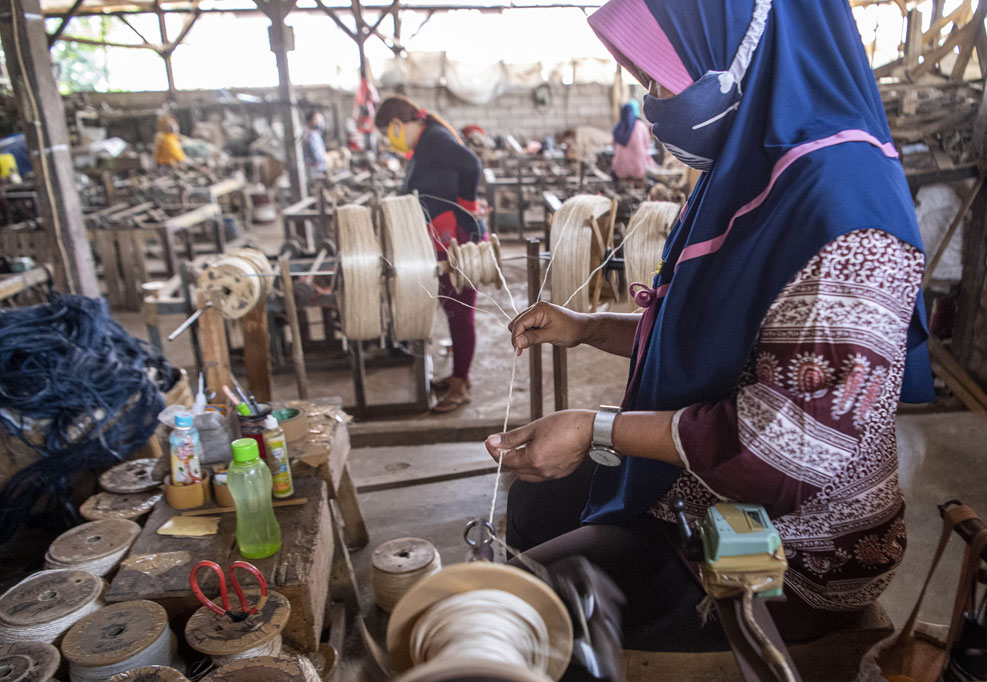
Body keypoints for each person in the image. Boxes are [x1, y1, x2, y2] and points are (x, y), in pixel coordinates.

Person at [484, 0, 934, 660]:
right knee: (531, 506)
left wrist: (594, 427)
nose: (655, 101)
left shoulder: (845, 210)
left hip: (795, 545)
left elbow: (786, 454)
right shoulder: (760, 170)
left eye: (664, 78)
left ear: (740, 51)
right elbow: (714, 333)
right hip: (711, 486)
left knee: (531, 609)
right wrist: (586, 327)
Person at [374, 95, 484, 413]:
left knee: (460, 313)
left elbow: (471, 165)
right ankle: (458, 376)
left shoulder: (434, 139)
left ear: (397, 124)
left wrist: (469, 208)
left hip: (457, 237)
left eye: (387, 133)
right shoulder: (424, 143)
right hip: (441, 235)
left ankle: (461, 385)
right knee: (452, 309)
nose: (387, 140)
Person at [610, 99, 653, 183]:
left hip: (620, 170)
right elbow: (647, 145)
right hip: (638, 169)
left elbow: (613, 146)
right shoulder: (641, 126)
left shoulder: (618, 128)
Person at [302, 111, 328, 178]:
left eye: (321, 120)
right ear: (309, 122)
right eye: (317, 120)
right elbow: (318, 157)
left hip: (315, 169)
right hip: (314, 171)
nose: (320, 122)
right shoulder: (311, 136)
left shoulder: (314, 134)